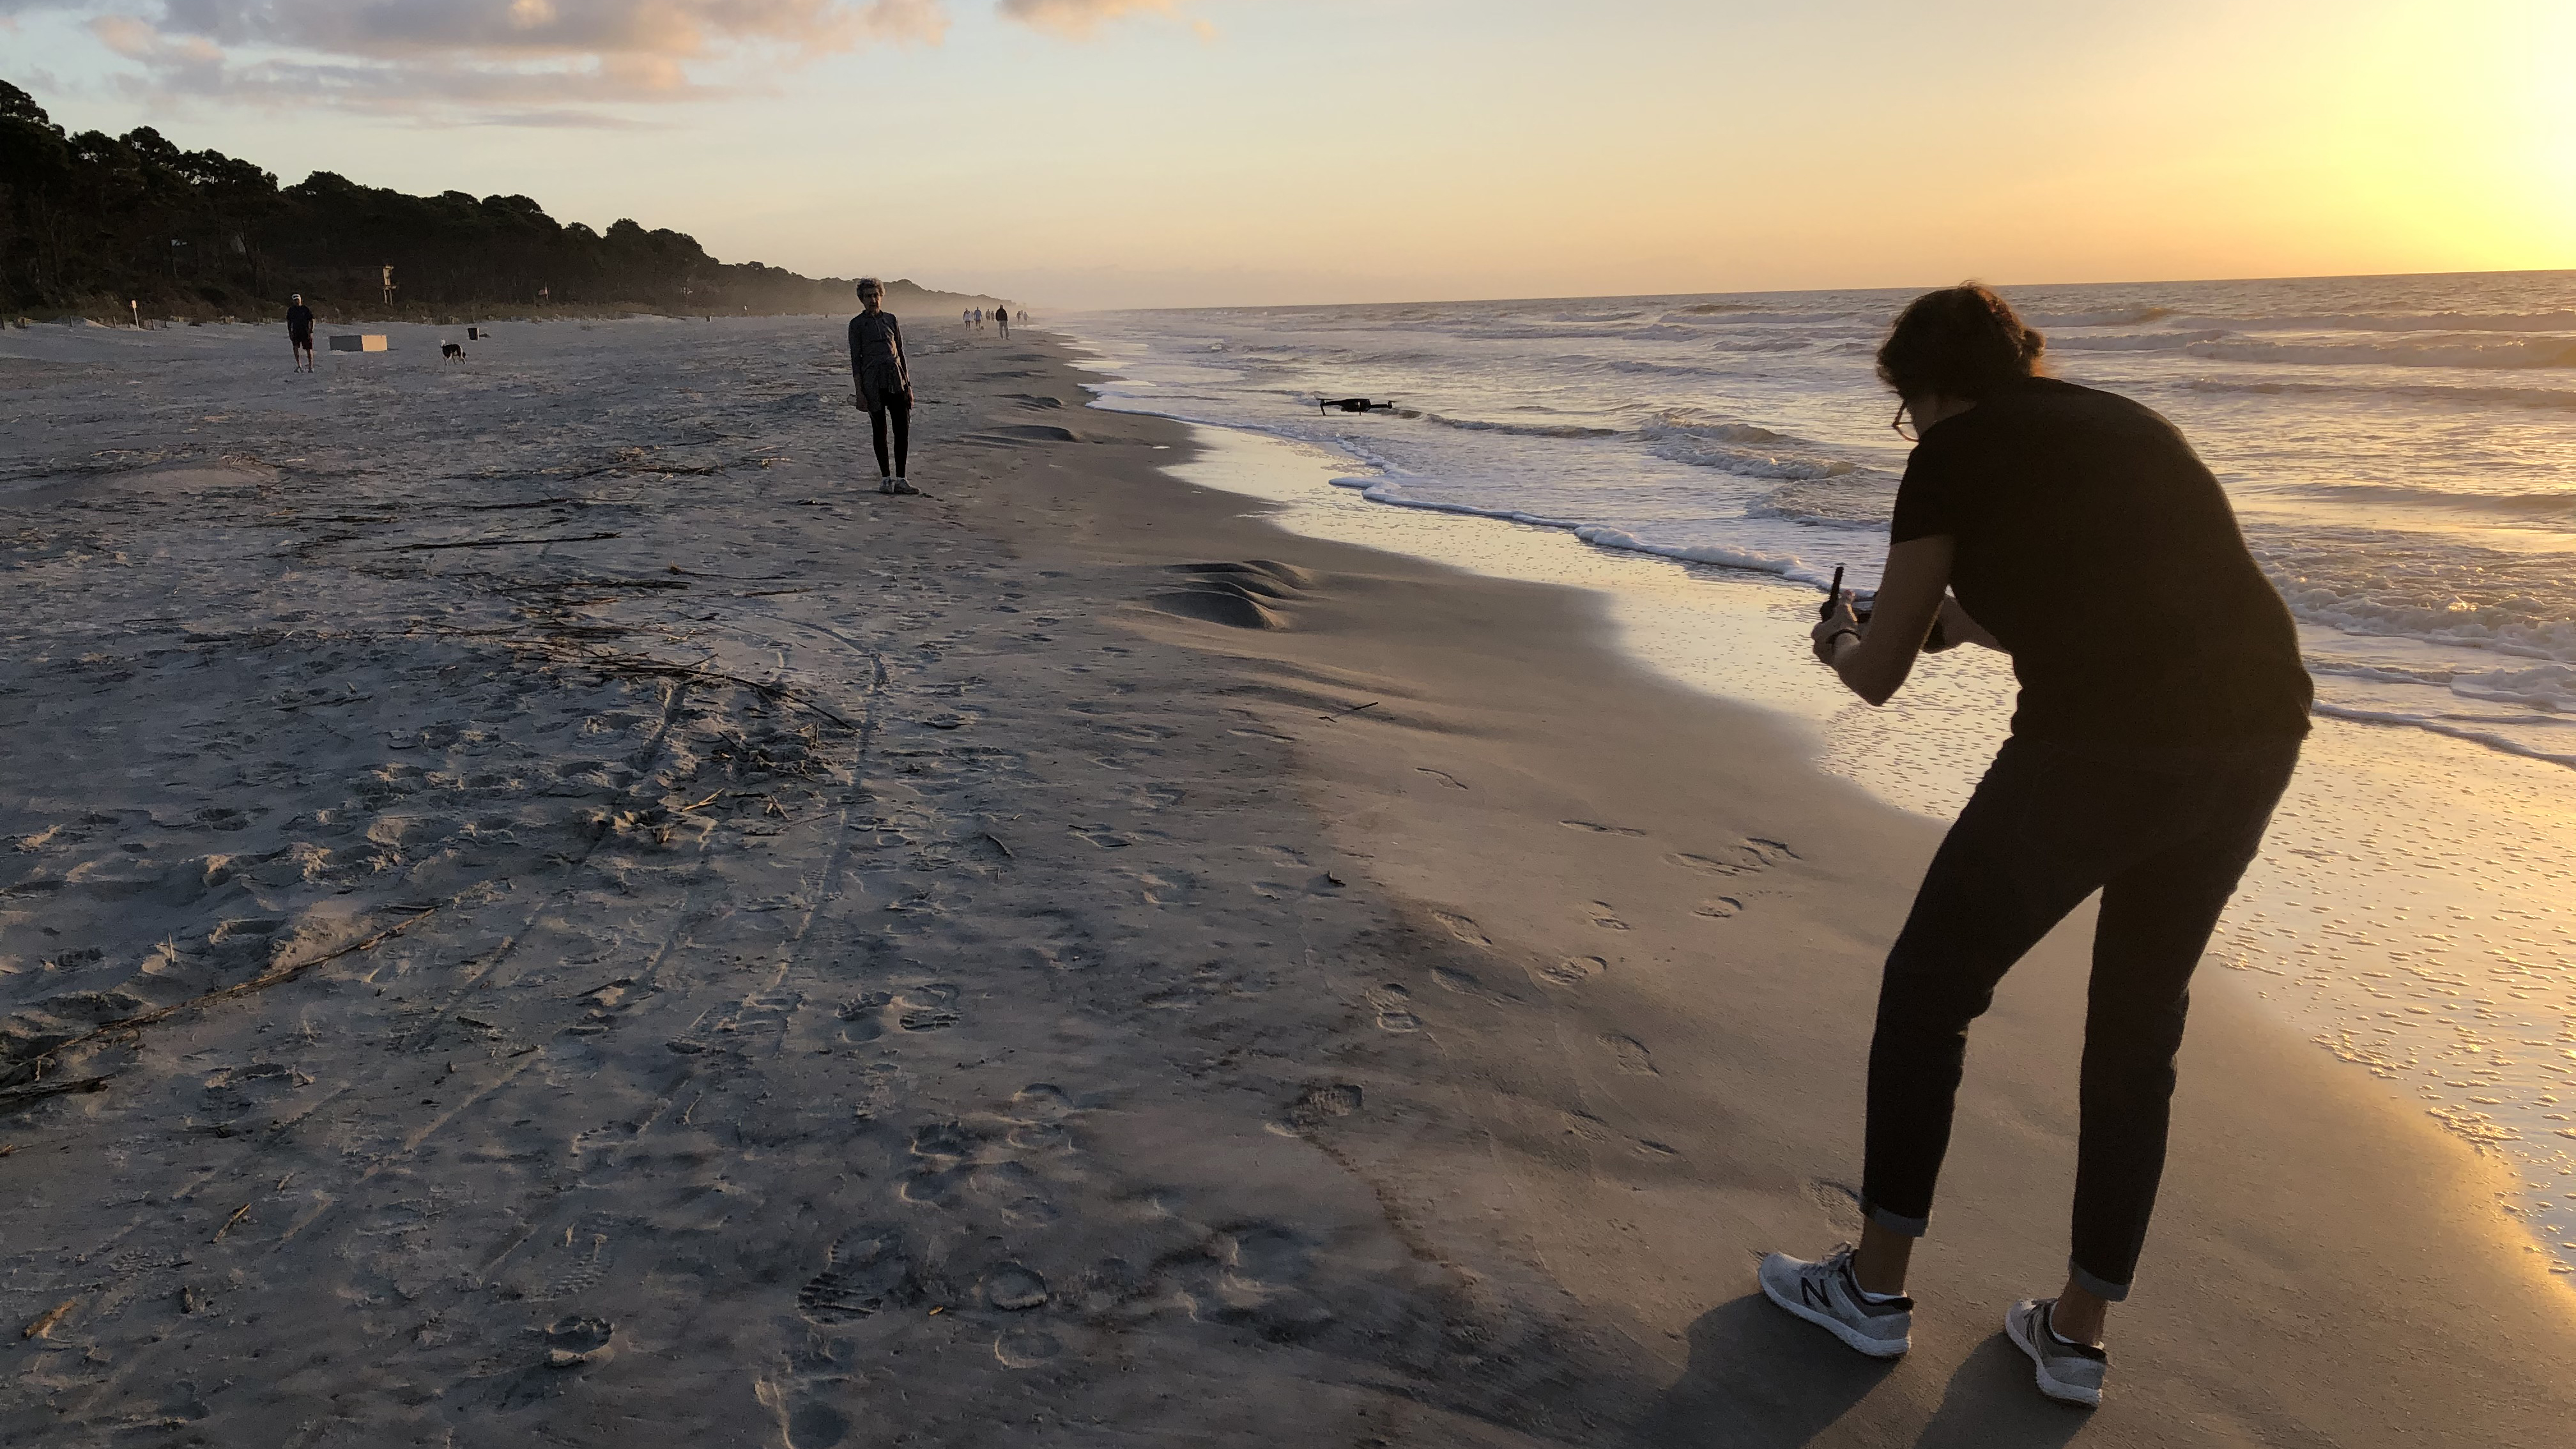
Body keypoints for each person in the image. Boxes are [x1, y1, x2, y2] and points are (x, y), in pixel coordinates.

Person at [1758, 284, 2311, 1409]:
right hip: (2253, 737)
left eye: (1903, 413)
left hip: (2098, 750)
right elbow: (2135, 598)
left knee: (1928, 988)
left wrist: (1834, 639)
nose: (1908, 432)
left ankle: (1870, 1290)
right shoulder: (2123, 423)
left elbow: (1875, 674)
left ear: (1919, 392)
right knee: (2136, 1022)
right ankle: (2076, 1332)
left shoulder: (1950, 451)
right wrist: (1969, 619)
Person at [848, 278, 916, 494]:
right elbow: (855, 360)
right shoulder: (856, 325)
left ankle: (902, 479)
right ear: (862, 299)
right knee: (880, 432)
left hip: (896, 379)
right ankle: (886, 479)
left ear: (881, 296)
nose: (873, 300)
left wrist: (909, 386)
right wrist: (860, 393)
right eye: (868, 296)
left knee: (902, 430)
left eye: (876, 295)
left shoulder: (891, 319)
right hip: (872, 382)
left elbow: (901, 353)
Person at [286, 293, 316, 371]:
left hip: (305, 331)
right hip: (296, 331)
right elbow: (289, 322)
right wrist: (290, 332)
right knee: (296, 348)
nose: (296, 302)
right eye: (295, 300)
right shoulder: (291, 310)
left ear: (300, 300)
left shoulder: (305, 309)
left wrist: (311, 331)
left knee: (309, 349)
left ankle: (311, 367)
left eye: (297, 300)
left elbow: (312, 320)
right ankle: (299, 365)